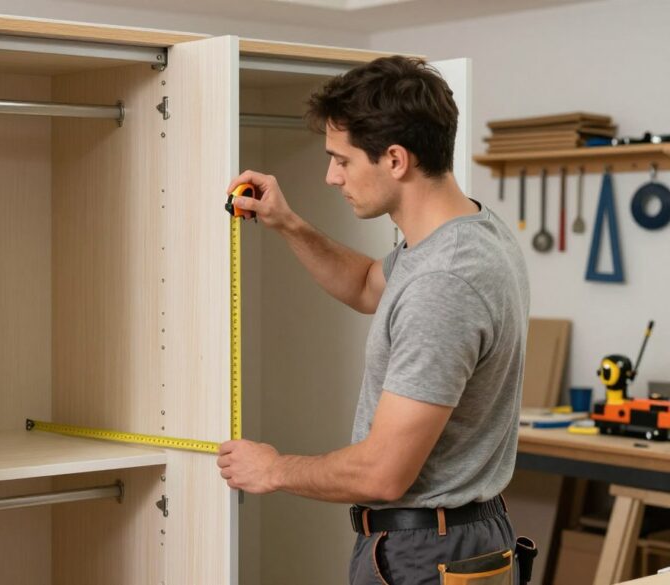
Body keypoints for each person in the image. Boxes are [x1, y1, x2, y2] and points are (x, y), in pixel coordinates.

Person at [216, 56, 530, 584]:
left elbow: (383, 473)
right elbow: (366, 286)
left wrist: (272, 468)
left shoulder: (444, 283)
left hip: (423, 555)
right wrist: (288, 224)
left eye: (342, 161)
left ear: (395, 160)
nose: (331, 176)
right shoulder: (469, 235)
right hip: (452, 539)